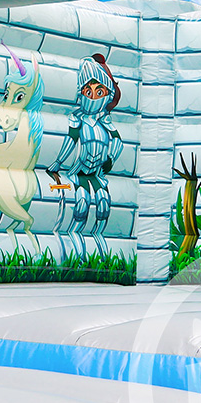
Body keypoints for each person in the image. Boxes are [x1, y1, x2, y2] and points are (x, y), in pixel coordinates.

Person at [48, 53, 123, 257]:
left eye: (99, 92)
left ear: (107, 94)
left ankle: (101, 250)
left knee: (103, 205)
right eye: (88, 91)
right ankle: (78, 249)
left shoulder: (104, 121)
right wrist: (57, 164)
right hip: (79, 173)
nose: (93, 97)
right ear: (81, 93)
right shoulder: (77, 119)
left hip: (97, 173)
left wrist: (111, 159)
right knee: (81, 205)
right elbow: (71, 140)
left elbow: (117, 141)